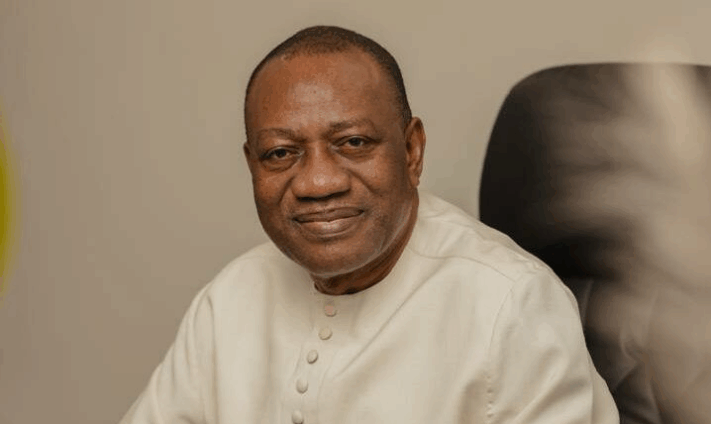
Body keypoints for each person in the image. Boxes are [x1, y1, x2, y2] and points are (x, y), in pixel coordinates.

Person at [119, 25, 619, 424]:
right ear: (253, 166)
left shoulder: (511, 305)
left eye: (353, 143)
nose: (317, 182)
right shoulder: (229, 298)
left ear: (411, 151)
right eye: (281, 153)